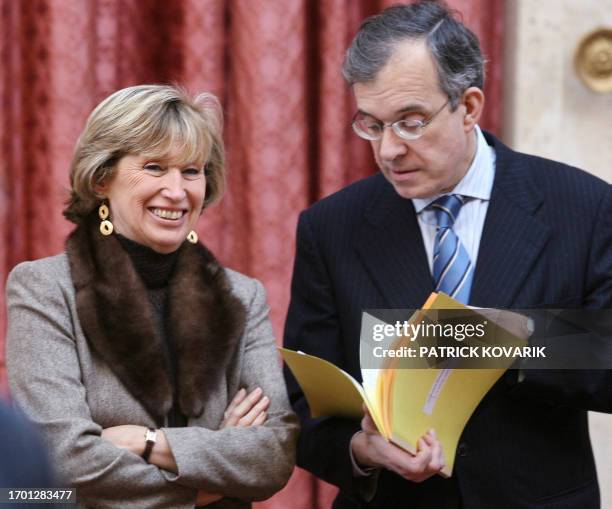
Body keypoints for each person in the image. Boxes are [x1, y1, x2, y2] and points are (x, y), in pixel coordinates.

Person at [283, 2, 612, 508]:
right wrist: (361, 450)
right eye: (372, 124)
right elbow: (302, 407)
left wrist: (487, 340)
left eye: (410, 122)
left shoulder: (583, 207)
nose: (389, 149)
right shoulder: (331, 228)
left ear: (470, 106)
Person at [6, 84, 298, 509]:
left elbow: (274, 454)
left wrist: (147, 442)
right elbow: (64, 458)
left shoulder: (241, 295)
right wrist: (205, 487)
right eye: (155, 167)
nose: (177, 192)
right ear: (102, 178)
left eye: (192, 171)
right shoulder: (45, 289)